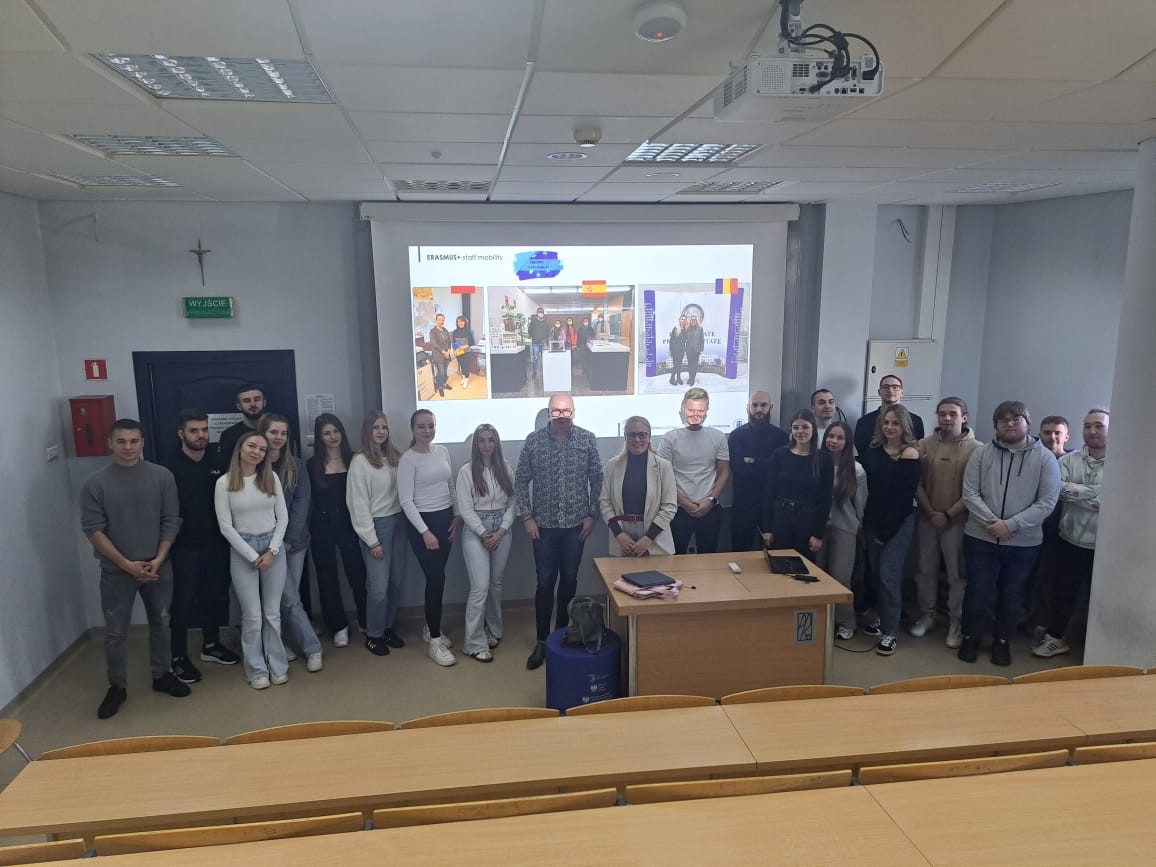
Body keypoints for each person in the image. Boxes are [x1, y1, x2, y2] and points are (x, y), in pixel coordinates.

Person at [80, 419, 189, 719]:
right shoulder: (95, 484)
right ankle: (117, 686)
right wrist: (125, 564)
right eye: (121, 441)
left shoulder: (162, 476)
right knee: (115, 631)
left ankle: (162, 674)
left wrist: (159, 558)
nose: (128, 447)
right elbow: (93, 530)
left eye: (133, 441)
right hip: (117, 570)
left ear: (142, 443)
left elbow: (171, 520)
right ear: (110, 443)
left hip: (157, 566)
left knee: (162, 621)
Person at [958, 401, 1060, 667]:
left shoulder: (1045, 458)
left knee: (1012, 594)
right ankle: (970, 637)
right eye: (1003, 420)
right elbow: (970, 493)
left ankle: (1002, 642)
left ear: (1027, 423)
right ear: (996, 426)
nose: (1010, 424)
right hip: (980, 537)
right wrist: (993, 524)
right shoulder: (981, 454)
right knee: (978, 590)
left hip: (1023, 543)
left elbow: (1047, 502)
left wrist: (1011, 525)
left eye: (1016, 419)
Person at [515, 392, 603, 670]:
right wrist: (527, 517)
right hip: (543, 527)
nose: (562, 415)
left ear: (573, 413)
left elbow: (597, 478)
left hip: (576, 525)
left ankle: (561, 634)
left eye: (566, 411)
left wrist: (592, 515)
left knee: (569, 580)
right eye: (556, 410)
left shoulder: (587, 439)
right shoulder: (533, 441)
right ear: (549, 412)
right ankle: (542, 640)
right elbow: (520, 481)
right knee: (544, 582)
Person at [164, 409, 239, 686]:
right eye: (194, 431)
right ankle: (178, 656)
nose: (201, 435)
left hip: (217, 543)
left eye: (204, 430)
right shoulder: (168, 466)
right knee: (182, 603)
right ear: (181, 434)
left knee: (216, 596)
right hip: (183, 547)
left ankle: (211, 644)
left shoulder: (219, 461)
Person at [213, 430, 290, 689]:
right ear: (240, 448)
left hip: (272, 548)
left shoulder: (270, 478)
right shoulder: (224, 483)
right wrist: (253, 556)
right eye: (251, 446)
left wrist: (272, 551)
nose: (256, 452)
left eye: (262, 449)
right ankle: (257, 670)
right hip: (242, 549)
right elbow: (226, 527)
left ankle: (277, 666)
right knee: (253, 616)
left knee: (272, 613)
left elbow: (283, 517)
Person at [1033, 409, 1109, 659]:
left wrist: (1081, 492)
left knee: (1102, 597)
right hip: (1070, 539)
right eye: (1087, 426)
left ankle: (1101, 645)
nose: (1092, 431)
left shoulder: (1124, 463)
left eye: (1099, 426)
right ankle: (1056, 639)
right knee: (1064, 592)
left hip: (1107, 544)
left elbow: (1113, 501)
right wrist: (1099, 491)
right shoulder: (1067, 461)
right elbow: (1060, 491)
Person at [909, 397, 982, 648]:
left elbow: (974, 490)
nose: (947, 418)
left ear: (964, 417)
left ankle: (955, 622)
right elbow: (915, 482)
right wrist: (931, 512)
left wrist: (948, 514)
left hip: (958, 521)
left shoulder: (977, 449)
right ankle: (927, 614)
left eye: (953, 414)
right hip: (927, 518)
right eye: (942, 414)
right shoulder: (923, 445)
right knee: (925, 570)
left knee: (956, 574)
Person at [259, 414, 323, 673]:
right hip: (262, 544)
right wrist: (271, 544)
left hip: (293, 544)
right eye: (273, 432)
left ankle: (310, 647)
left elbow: (302, 505)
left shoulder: (296, 466)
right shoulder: (252, 466)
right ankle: (294, 643)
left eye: (283, 433)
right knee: (283, 598)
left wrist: (287, 541)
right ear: (263, 433)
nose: (278, 437)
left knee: (289, 597)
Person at [399, 409, 460, 667]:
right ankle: (435, 640)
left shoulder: (442, 451)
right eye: (421, 426)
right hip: (422, 525)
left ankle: (429, 627)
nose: (427, 431)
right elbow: (406, 500)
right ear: (412, 430)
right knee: (436, 579)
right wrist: (425, 531)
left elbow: (450, 486)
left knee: (437, 579)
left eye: (430, 426)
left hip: (446, 521)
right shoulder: (408, 459)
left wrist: (456, 516)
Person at [859, 404, 921, 656]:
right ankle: (881, 617)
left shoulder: (910, 454)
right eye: (886, 422)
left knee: (889, 576)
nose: (889, 427)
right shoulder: (873, 450)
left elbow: (903, 499)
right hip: (872, 519)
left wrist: (886, 532)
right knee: (875, 573)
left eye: (895, 423)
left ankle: (890, 632)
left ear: (904, 426)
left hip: (898, 521)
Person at [347, 411, 408, 656]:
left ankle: (386, 627)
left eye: (384, 427)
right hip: (377, 527)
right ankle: (373, 634)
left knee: (396, 582)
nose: (381, 431)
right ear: (367, 431)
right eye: (375, 427)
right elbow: (358, 504)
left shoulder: (395, 457)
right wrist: (371, 540)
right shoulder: (360, 462)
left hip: (399, 522)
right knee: (378, 587)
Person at [456, 424, 516, 662]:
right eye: (482, 440)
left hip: (502, 528)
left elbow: (514, 502)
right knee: (479, 587)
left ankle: (493, 630)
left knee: (495, 583)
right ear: (476, 444)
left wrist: (501, 530)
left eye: (491, 440)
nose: (487, 445)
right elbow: (465, 508)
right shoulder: (466, 471)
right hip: (475, 530)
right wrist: (483, 533)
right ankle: (473, 643)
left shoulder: (506, 467)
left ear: (496, 443)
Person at [307, 413, 367, 648]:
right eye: (326, 433)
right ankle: (338, 626)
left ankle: (365, 619)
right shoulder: (312, 465)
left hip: (350, 525)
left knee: (358, 573)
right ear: (319, 437)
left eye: (336, 431)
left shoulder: (355, 460)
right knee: (327, 577)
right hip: (321, 527)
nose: (333, 437)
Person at [656, 387, 730, 556]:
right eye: (691, 410)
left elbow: (724, 473)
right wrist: (685, 503)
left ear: (707, 411)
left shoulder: (718, 437)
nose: (696, 415)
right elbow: (662, 477)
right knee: (675, 558)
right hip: (678, 510)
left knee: (708, 558)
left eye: (700, 411)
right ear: (683, 409)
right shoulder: (669, 438)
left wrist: (710, 501)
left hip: (710, 508)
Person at [1025, 414, 1074, 641]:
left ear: (1067, 436)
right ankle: (1022, 617)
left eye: (1057, 433)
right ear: (1039, 435)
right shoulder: (1030, 459)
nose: (1052, 437)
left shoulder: (1073, 463)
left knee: (1048, 581)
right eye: (1047, 432)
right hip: (1026, 529)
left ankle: (1041, 624)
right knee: (1024, 577)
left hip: (1058, 534)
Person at [816, 422, 866, 640]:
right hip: (818, 529)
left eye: (840, 438)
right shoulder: (816, 463)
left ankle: (846, 622)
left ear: (847, 443)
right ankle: (820, 622)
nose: (834, 441)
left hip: (845, 528)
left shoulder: (856, 469)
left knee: (840, 577)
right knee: (817, 575)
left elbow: (861, 504)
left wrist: (857, 527)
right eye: (831, 436)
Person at [600, 416, 678, 557]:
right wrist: (619, 535)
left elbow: (669, 506)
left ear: (649, 437)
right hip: (622, 538)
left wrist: (648, 538)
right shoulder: (613, 465)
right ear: (625, 437)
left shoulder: (663, 466)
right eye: (631, 435)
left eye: (642, 435)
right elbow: (605, 502)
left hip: (655, 538)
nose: (637, 439)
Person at [761, 409, 833, 558]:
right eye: (796, 427)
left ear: (813, 428)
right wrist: (767, 528)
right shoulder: (779, 455)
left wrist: (818, 534)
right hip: (781, 519)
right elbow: (769, 492)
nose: (800, 431)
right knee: (779, 565)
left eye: (805, 427)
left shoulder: (824, 459)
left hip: (807, 522)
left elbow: (825, 499)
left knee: (804, 566)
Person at [728, 391, 789, 551]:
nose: (759, 409)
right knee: (740, 553)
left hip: (772, 505)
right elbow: (738, 468)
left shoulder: (781, 437)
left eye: (763, 405)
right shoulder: (736, 436)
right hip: (743, 503)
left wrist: (751, 460)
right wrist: (766, 464)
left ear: (771, 407)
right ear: (748, 407)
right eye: (755, 405)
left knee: (772, 554)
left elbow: (780, 470)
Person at [854, 375, 925, 458]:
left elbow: (918, 447)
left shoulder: (916, 421)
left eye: (895, 387)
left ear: (902, 392)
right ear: (879, 392)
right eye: (885, 387)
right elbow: (862, 452)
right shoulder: (864, 422)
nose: (890, 390)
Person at [218, 383, 266, 460]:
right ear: (239, 406)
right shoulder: (228, 435)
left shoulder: (276, 432)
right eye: (247, 401)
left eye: (257, 399)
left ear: (264, 403)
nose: (253, 404)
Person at [427, 313, 453, 397]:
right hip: (438, 355)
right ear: (436, 320)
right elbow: (435, 344)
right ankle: (440, 387)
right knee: (441, 372)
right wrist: (444, 352)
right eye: (439, 320)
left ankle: (444, 384)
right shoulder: (433, 331)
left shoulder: (445, 330)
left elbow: (449, 341)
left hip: (447, 354)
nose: (441, 321)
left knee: (445, 371)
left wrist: (448, 351)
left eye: (443, 320)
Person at [451, 315, 475, 389]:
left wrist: (464, 347)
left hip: (466, 352)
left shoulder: (468, 332)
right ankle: (464, 377)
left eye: (462, 321)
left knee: (466, 366)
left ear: (465, 322)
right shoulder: (455, 332)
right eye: (458, 321)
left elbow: (472, 342)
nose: (460, 323)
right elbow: (453, 342)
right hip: (458, 352)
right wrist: (455, 351)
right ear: (457, 323)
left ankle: (466, 380)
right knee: (461, 365)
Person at [683, 314, 705, 386]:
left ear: (696, 321)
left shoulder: (700, 329)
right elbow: (684, 338)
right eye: (692, 320)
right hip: (688, 350)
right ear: (690, 321)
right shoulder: (687, 329)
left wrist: (701, 349)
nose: (693, 321)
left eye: (694, 320)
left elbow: (702, 340)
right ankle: (690, 378)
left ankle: (692, 379)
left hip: (696, 350)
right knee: (690, 365)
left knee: (694, 365)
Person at [528, 306, 548, 380]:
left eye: (541, 312)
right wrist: (533, 336)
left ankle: (545, 372)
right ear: (537, 313)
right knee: (535, 358)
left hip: (543, 343)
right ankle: (534, 373)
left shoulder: (545, 322)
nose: (540, 313)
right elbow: (530, 330)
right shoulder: (533, 321)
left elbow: (547, 331)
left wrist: (546, 339)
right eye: (539, 312)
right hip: (535, 343)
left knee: (544, 358)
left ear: (543, 313)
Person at [668, 315, 688, 385]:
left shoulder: (686, 329)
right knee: (676, 365)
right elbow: (671, 340)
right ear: (679, 320)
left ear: (686, 321)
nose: (683, 320)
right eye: (682, 319)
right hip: (675, 350)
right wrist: (670, 350)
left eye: (684, 319)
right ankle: (672, 378)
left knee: (679, 365)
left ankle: (678, 378)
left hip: (682, 350)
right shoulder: (676, 328)